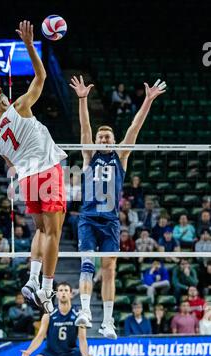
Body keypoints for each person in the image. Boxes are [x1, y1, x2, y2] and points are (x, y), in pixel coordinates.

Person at [69, 74, 166, 338]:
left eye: (107, 137)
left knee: (109, 270)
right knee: (87, 264)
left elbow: (134, 128)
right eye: (101, 137)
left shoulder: (120, 156)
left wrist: (146, 101)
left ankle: (108, 322)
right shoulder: (89, 155)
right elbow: (84, 127)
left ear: (113, 140)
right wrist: (82, 99)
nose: (103, 139)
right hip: (88, 218)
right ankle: (86, 311)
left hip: (110, 221)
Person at [0, 21, 67, 314]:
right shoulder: (18, 107)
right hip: (46, 170)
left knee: (41, 231)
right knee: (54, 233)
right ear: (3, 102)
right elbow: (41, 77)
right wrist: (30, 45)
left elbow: (12, 163)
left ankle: (31, 280)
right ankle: (46, 288)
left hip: (27, 179)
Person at [21, 282, 105, 356]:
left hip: (72, 352)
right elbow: (40, 336)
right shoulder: (49, 314)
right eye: (60, 290)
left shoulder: (79, 315)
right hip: (51, 352)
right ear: (56, 294)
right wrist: (29, 351)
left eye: (66, 290)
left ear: (71, 294)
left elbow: (82, 339)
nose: (63, 293)